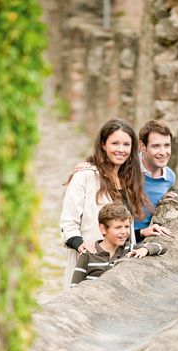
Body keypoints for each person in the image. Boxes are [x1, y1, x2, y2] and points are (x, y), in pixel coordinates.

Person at [60, 117, 149, 288]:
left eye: (126, 145)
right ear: (103, 144)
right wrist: (82, 246)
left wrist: (142, 233)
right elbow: (68, 223)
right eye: (115, 143)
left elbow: (119, 227)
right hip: (90, 266)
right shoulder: (85, 176)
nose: (121, 150)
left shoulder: (129, 180)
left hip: (120, 269)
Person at [71, 201, 167, 286]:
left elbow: (162, 247)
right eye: (118, 227)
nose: (124, 231)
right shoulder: (88, 254)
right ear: (103, 229)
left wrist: (145, 249)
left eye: (126, 226)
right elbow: (74, 286)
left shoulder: (129, 249)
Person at [134, 120, 176, 242]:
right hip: (118, 241)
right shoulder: (127, 168)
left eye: (167, 145)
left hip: (145, 243)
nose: (163, 152)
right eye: (156, 146)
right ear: (142, 146)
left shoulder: (170, 177)